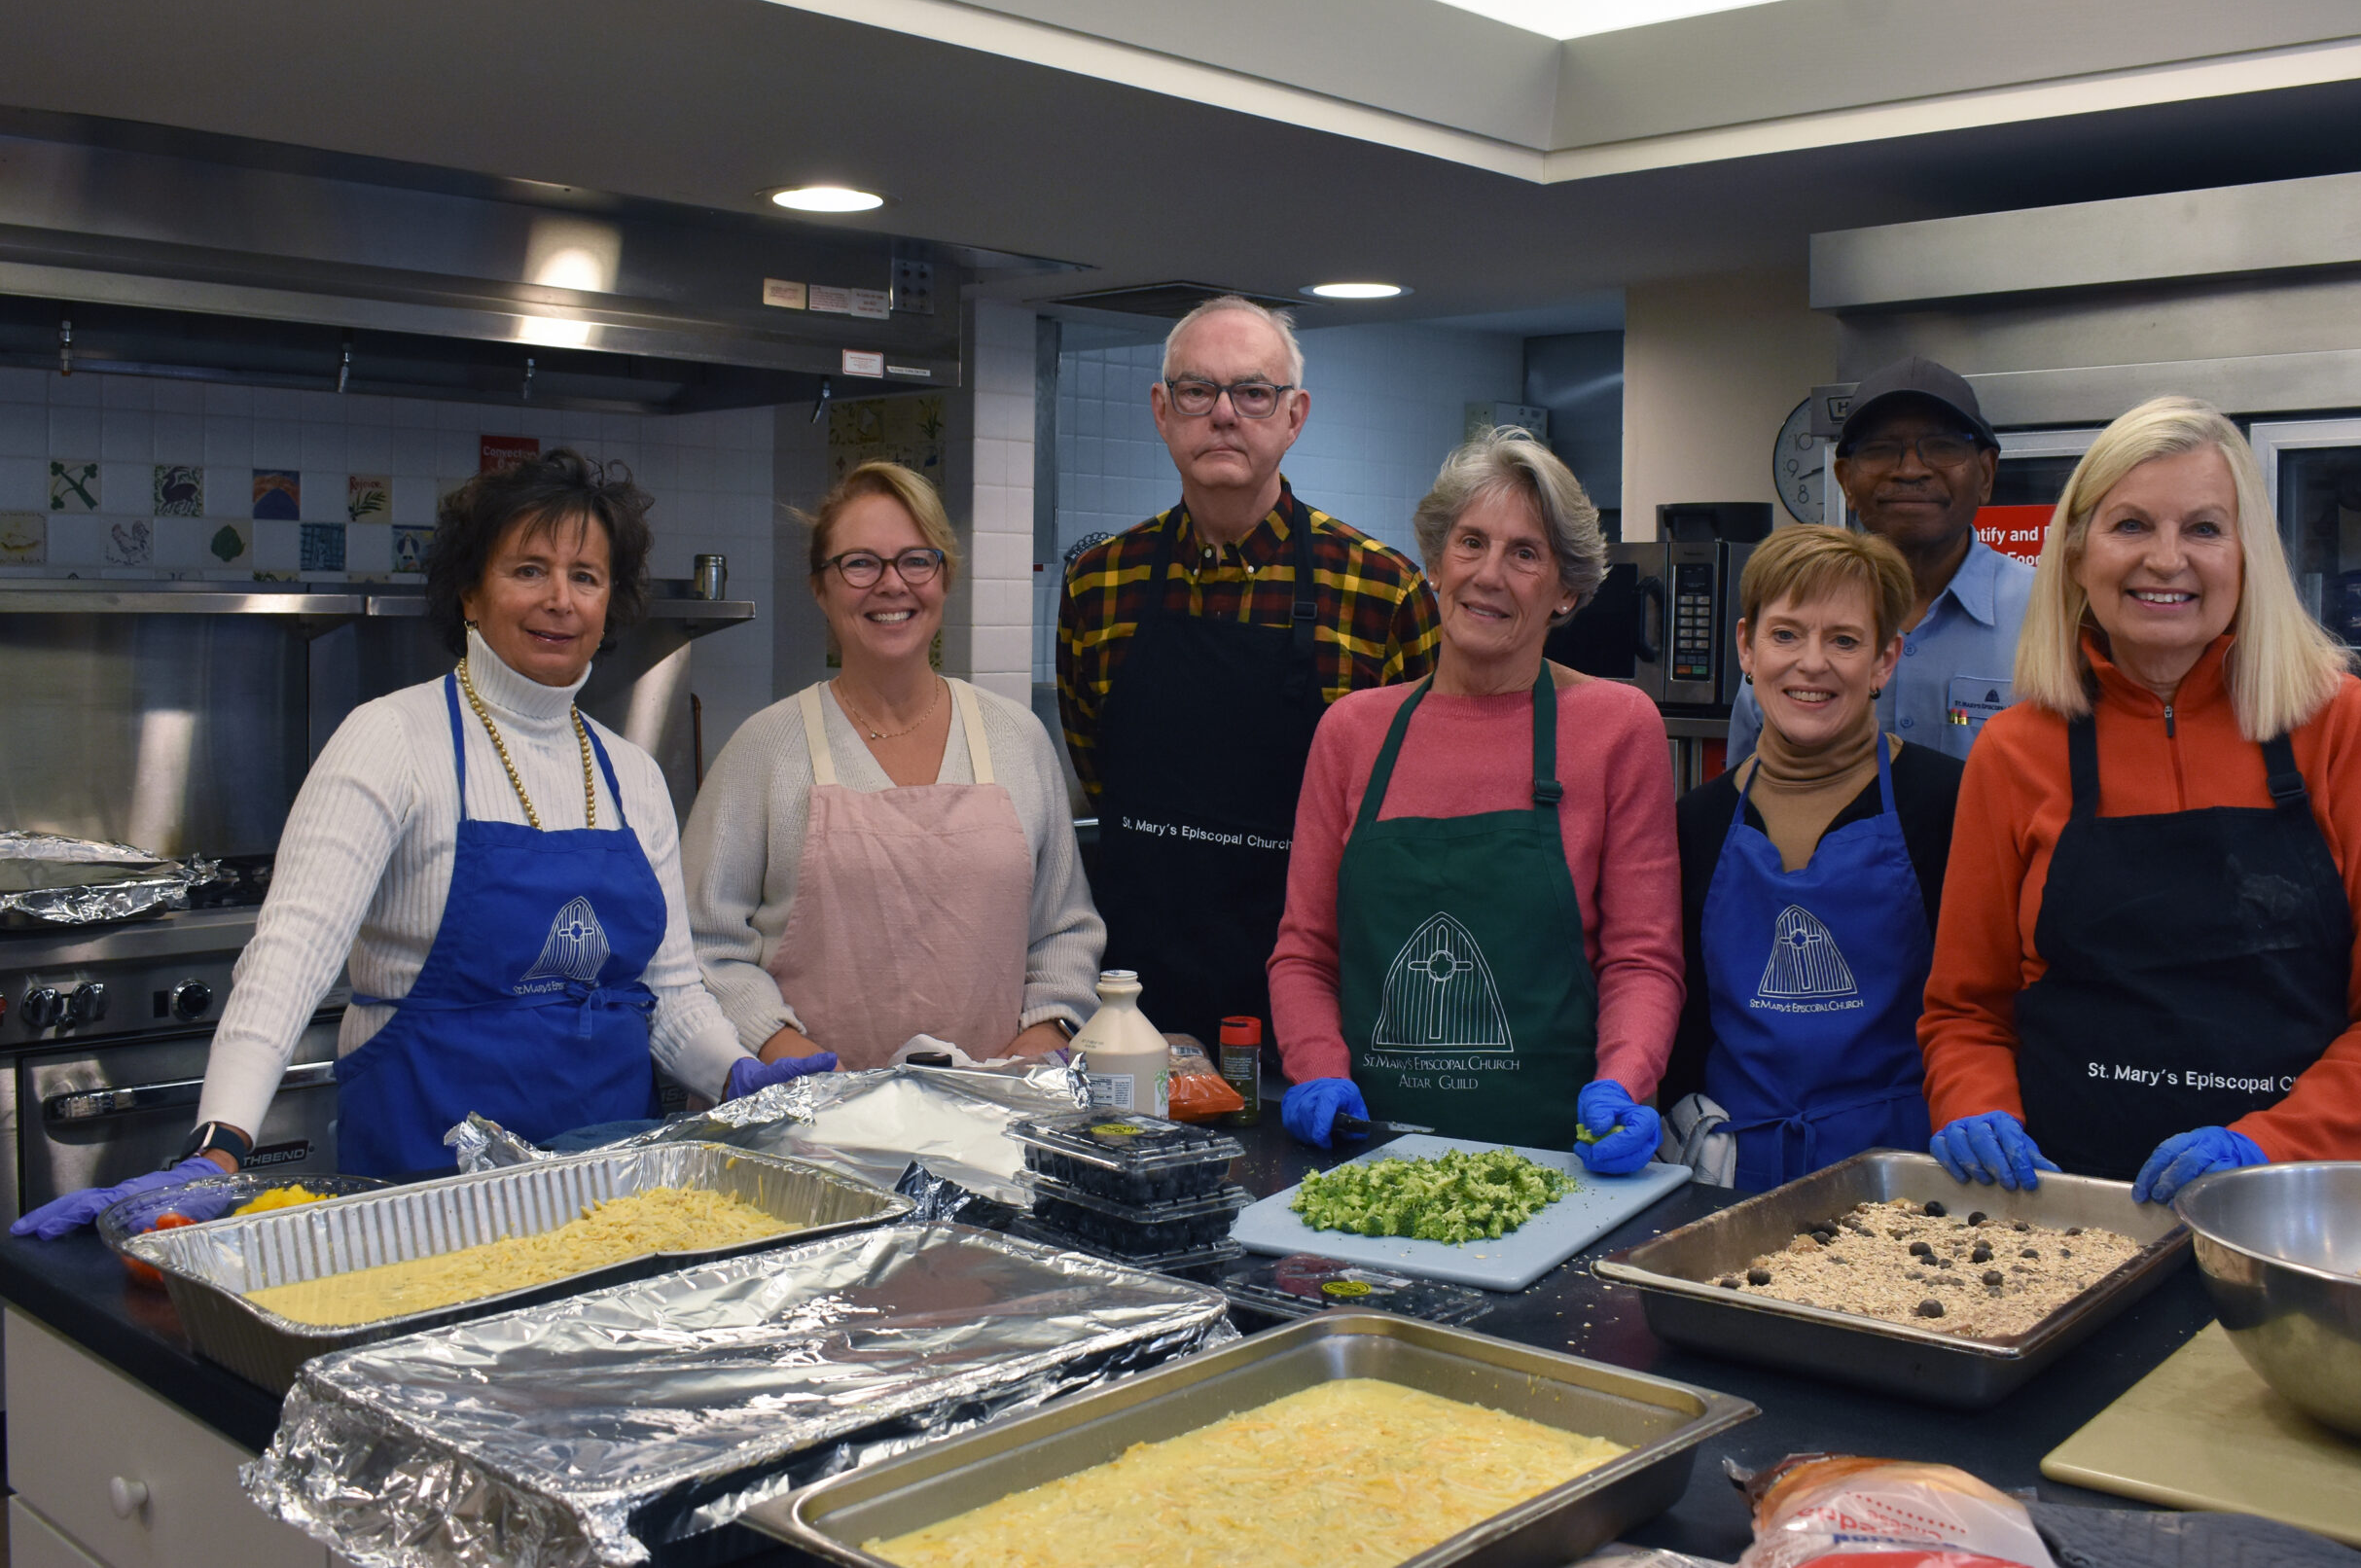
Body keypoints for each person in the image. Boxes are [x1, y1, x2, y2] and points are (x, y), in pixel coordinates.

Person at [15, 451, 832, 1233]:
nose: (560, 598)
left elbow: (670, 995)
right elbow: (290, 957)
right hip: (419, 1196)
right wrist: (220, 1141)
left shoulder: (632, 776)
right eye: (528, 569)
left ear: (609, 604)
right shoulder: (391, 739)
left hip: (605, 1194)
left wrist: (737, 1074)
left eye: (585, 576)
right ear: (470, 594)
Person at [1919, 398, 2361, 1204]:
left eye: (2203, 528)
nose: (2165, 560)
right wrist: (1976, 1105)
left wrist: (2269, 1145)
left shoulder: (2338, 726)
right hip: (2065, 1214)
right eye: (2131, 525)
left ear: (2247, 555)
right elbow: (1966, 1011)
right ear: (2074, 554)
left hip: (2287, 1216)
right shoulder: (2014, 750)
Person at [1269, 429, 1683, 1170]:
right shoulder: (1352, 731)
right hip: (1370, 1159)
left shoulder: (1619, 728)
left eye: (1525, 553)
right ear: (1434, 563)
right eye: (1470, 543)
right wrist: (1317, 1067)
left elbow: (1642, 959)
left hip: (1562, 1161)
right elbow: (1305, 953)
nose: (1489, 574)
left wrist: (1623, 1083)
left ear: (1566, 590)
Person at [1056, 297, 1439, 1051]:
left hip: (1325, 1010)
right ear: (1163, 410)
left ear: (1293, 416)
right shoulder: (1099, 584)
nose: (1224, 414)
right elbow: (1098, 772)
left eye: (1253, 393)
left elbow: (1408, 822)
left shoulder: (1383, 590)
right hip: (1138, 1014)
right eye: (1198, 391)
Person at [686, 461, 1102, 1069]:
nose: (891, 584)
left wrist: (1038, 1041)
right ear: (819, 588)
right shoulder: (765, 748)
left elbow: (1064, 931)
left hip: (991, 1120)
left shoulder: (1016, 738)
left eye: (915, 560)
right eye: (859, 564)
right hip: (814, 1126)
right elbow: (706, 947)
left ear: (944, 577)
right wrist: (803, 1068)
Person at [1665, 526, 1963, 1189]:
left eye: (1844, 640)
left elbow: (1980, 1005)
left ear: (1885, 659)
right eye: (1787, 634)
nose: (1812, 662)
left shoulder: (1949, 802)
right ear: (1747, 645)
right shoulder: (1697, 821)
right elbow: (1681, 1015)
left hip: (1903, 1175)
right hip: (1730, 1173)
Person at [1728, 358, 2031, 766]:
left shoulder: (2051, 614)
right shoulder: (1792, 620)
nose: (1910, 470)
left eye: (1942, 446)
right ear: (1845, 481)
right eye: (1881, 450)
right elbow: (1746, 789)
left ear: (1986, 473)